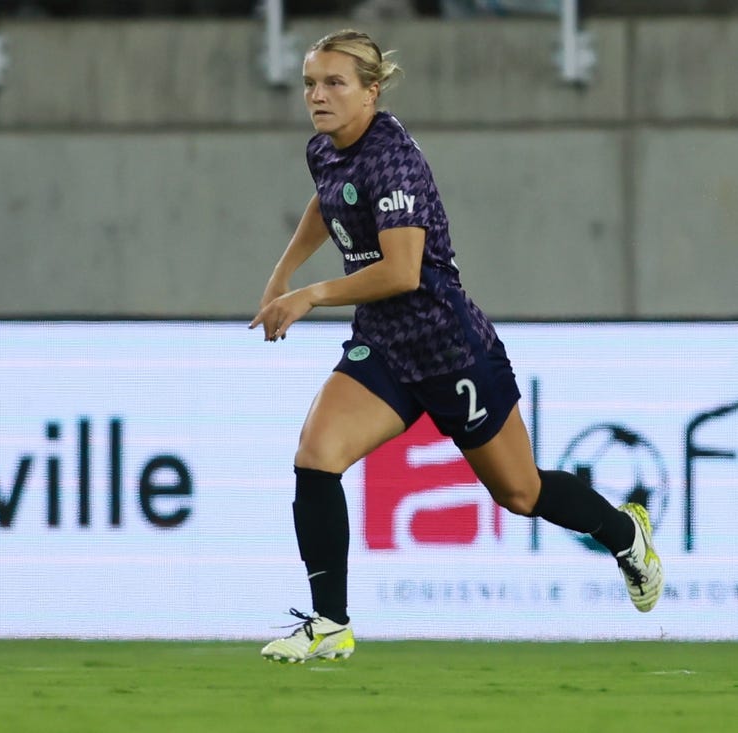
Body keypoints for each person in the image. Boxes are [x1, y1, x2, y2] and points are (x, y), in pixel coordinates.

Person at [249, 29, 663, 664]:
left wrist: (307, 295)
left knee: (520, 494)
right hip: (385, 347)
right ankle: (330, 624)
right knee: (316, 456)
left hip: (450, 349)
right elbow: (328, 201)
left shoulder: (394, 160)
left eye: (335, 83)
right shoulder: (327, 148)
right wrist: (281, 274)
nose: (318, 95)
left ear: (371, 91)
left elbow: (401, 272)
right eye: (311, 83)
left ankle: (623, 533)